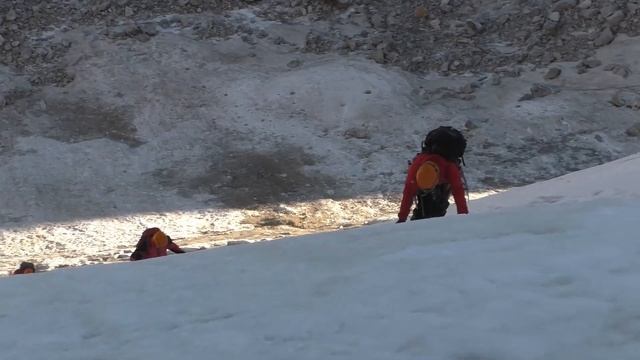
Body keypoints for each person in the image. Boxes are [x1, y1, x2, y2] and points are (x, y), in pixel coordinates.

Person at [397, 126, 469, 222]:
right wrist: (402, 219)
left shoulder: (450, 169)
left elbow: (458, 191)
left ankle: (433, 222)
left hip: (444, 181)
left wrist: (463, 216)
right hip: (427, 177)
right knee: (425, 207)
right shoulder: (416, 168)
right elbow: (408, 194)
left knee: (438, 207)